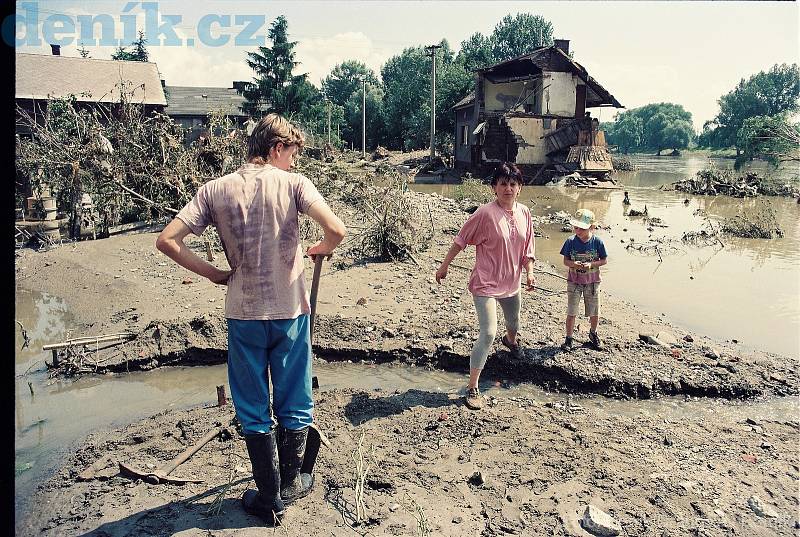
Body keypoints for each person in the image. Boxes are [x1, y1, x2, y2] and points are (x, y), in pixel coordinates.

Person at [155, 113, 346, 525]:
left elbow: (167, 240)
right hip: (290, 312)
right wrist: (317, 248)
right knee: (295, 399)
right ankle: (290, 485)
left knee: (253, 406)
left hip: (243, 313)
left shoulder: (215, 189)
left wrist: (214, 273)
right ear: (276, 148)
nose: (294, 163)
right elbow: (337, 230)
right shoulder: (295, 184)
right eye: (292, 154)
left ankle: (268, 497)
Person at [435, 163, 536, 410]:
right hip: (486, 283)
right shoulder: (485, 213)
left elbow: (528, 249)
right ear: (494, 187)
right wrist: (444, 265)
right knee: (488, 332)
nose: (508, 188)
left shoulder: (525, 213)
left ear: (520, 188)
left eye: (513, 184)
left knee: (514, 325)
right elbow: (461, 240)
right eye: (503, 183)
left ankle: (511, 341)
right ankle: (472, 387)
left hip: (512, 284)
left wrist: (530, 274)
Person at [559, 209, 608, 352]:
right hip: (574, 281)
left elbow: (604, 260)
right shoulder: (570, 241)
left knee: (594, 311)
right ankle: (568, 338)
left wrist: (591, 264)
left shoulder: (597, 242)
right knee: (571, 311)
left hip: (592, 282)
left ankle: (593, 333)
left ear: (592, 227)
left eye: (582, 228)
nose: (578, 230)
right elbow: (566, 261)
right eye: (576, 227)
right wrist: (574, 264)